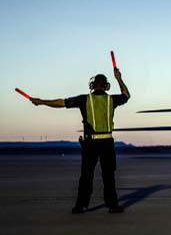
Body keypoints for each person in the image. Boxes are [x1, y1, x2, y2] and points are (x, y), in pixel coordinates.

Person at [31, 68, 130, 214]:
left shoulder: (84, 99)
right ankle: (113, 205)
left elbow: (62, 103)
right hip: (107, 143)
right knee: (108, 176)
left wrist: (42, 102)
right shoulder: (111, 100)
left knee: (86, 176)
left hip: (90, 144)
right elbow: (126, 95)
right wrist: (119, 78)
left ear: (93, 85)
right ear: (106, 86)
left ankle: (81, 205)